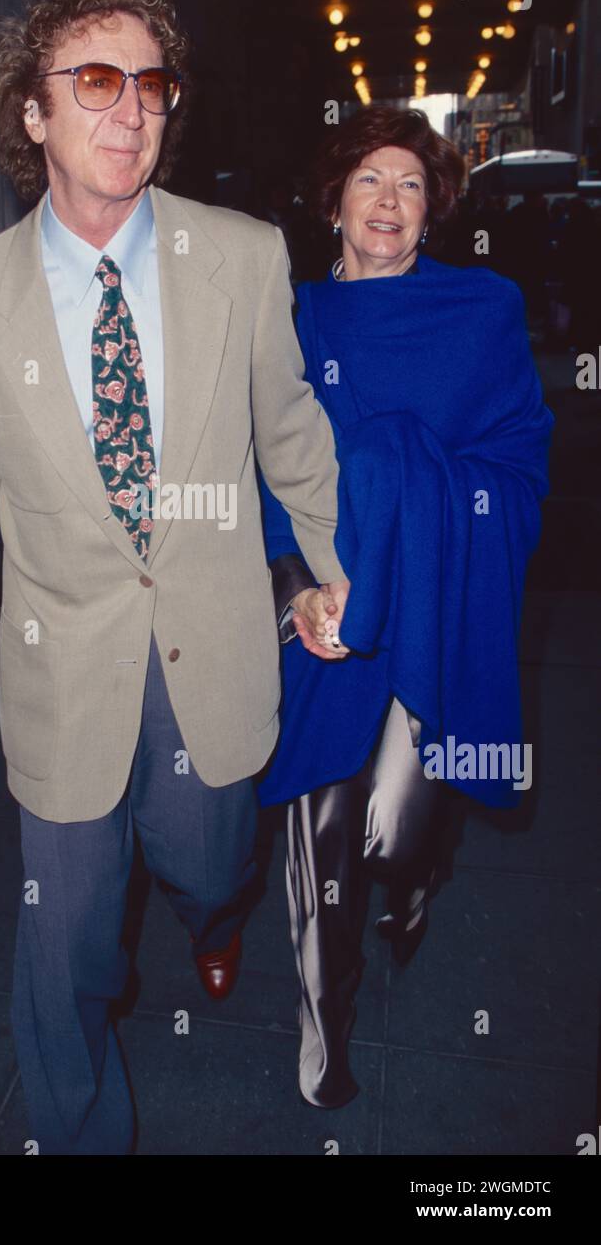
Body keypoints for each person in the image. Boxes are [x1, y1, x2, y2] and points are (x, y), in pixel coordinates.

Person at [0, 0, 349, 1155]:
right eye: (95, 80)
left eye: (149, 83)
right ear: (29, 113)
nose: (129, 108)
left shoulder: (242, 258)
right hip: (59, 665)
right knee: (67, 941)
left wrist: (328, 562)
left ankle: (216, 910)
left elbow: (290, 431)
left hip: (214, 648)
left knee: (209, 857)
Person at [257, 105, 553, 1110]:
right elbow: (248, 469)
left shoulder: (481, 309)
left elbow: (515, 461)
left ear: (431, 213)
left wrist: (410, 491)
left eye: (410, 185)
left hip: (435, 596)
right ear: (331, 202)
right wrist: (298, 593)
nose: (387, 201)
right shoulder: (286, 316)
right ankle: (321, 1019)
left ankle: (423, 873)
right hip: (324, 618)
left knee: (394, 832)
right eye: (368, 181)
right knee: (328, 829)